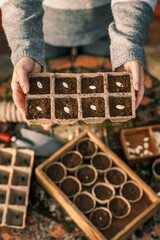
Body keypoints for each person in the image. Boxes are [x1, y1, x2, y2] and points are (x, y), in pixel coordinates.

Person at [1, 0, 157, 120]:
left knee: (98, 87)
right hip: (43, 29)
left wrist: (127, 44)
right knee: (50, 85)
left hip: (108, 25)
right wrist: (25, 45)